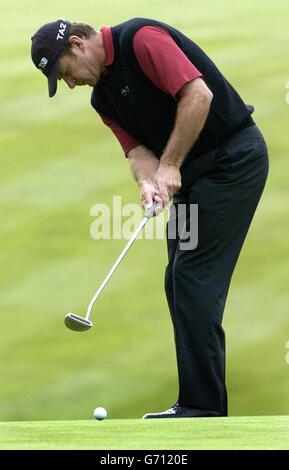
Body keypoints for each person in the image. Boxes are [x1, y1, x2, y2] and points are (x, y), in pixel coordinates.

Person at [31, 18, 269, 418]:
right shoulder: (102, 100)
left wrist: (171, 165)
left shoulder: (142, 40)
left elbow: (198, 95)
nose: (70, 84)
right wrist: (149, 181)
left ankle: (204, 408)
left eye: (65, 72)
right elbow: (138, 154)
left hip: (233, 162)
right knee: (177, 278)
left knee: (194, 277)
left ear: (77, 43)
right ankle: (196, 404)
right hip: (196, 177)